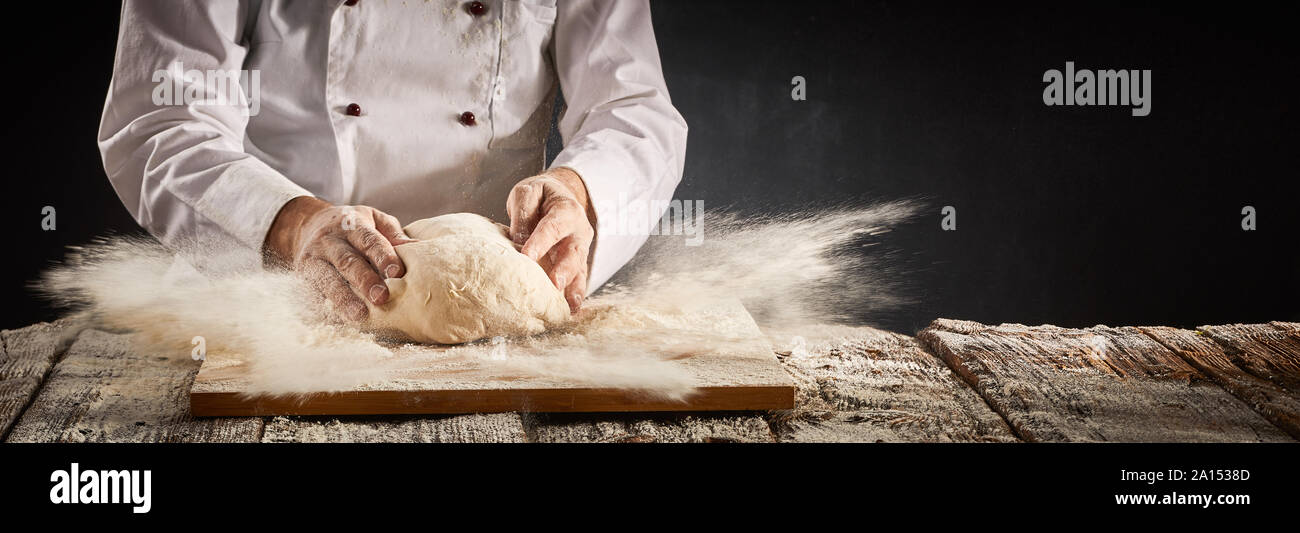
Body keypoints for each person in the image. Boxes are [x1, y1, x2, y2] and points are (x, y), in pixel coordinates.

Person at [97, 0, 687, 321]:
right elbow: (162, 118)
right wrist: (295, 224)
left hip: (504, 323)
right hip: (273, 311)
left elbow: (633, 108)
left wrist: (577, 189)